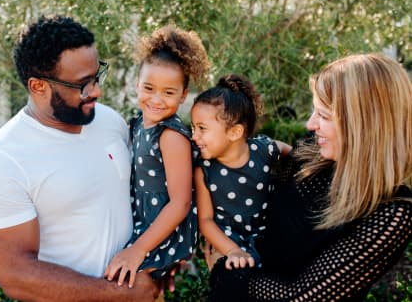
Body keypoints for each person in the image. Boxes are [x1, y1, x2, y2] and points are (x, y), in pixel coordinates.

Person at [0, 15, 159, 301]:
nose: (97, 91)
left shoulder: (110, 121)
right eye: (83, 84)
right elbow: (16, 275)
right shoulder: (2, 162)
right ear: (38, 86)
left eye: (98, 75)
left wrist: (162, 257)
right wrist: (121, 294)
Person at [206, 53, 412, 301]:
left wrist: (222, 268)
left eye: (324, 115)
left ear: (365, 124)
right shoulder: (313, 156)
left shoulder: (391, 213)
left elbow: (301, 297)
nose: (310, 124)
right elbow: (244, 187)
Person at [104, 24, 210, 288]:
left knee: (122, 285)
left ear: (184, 95)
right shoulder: (139, 124)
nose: (157, 100)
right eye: (149, 88)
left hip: (163, 231)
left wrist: (138, 249)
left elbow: (180, 203)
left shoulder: (171, 136)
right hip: (144, 224)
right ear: (137, 84)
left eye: (169, 92)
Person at [191, 74, 292, 272]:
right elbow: (205, 220)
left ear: (235, 132)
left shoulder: (264, 150)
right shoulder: (204, 170)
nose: (194, 136)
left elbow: (297, 156)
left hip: (269, 236)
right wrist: (232, 251)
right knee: (231, 278)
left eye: (202, 128)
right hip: (226, 241)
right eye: (193, 127)